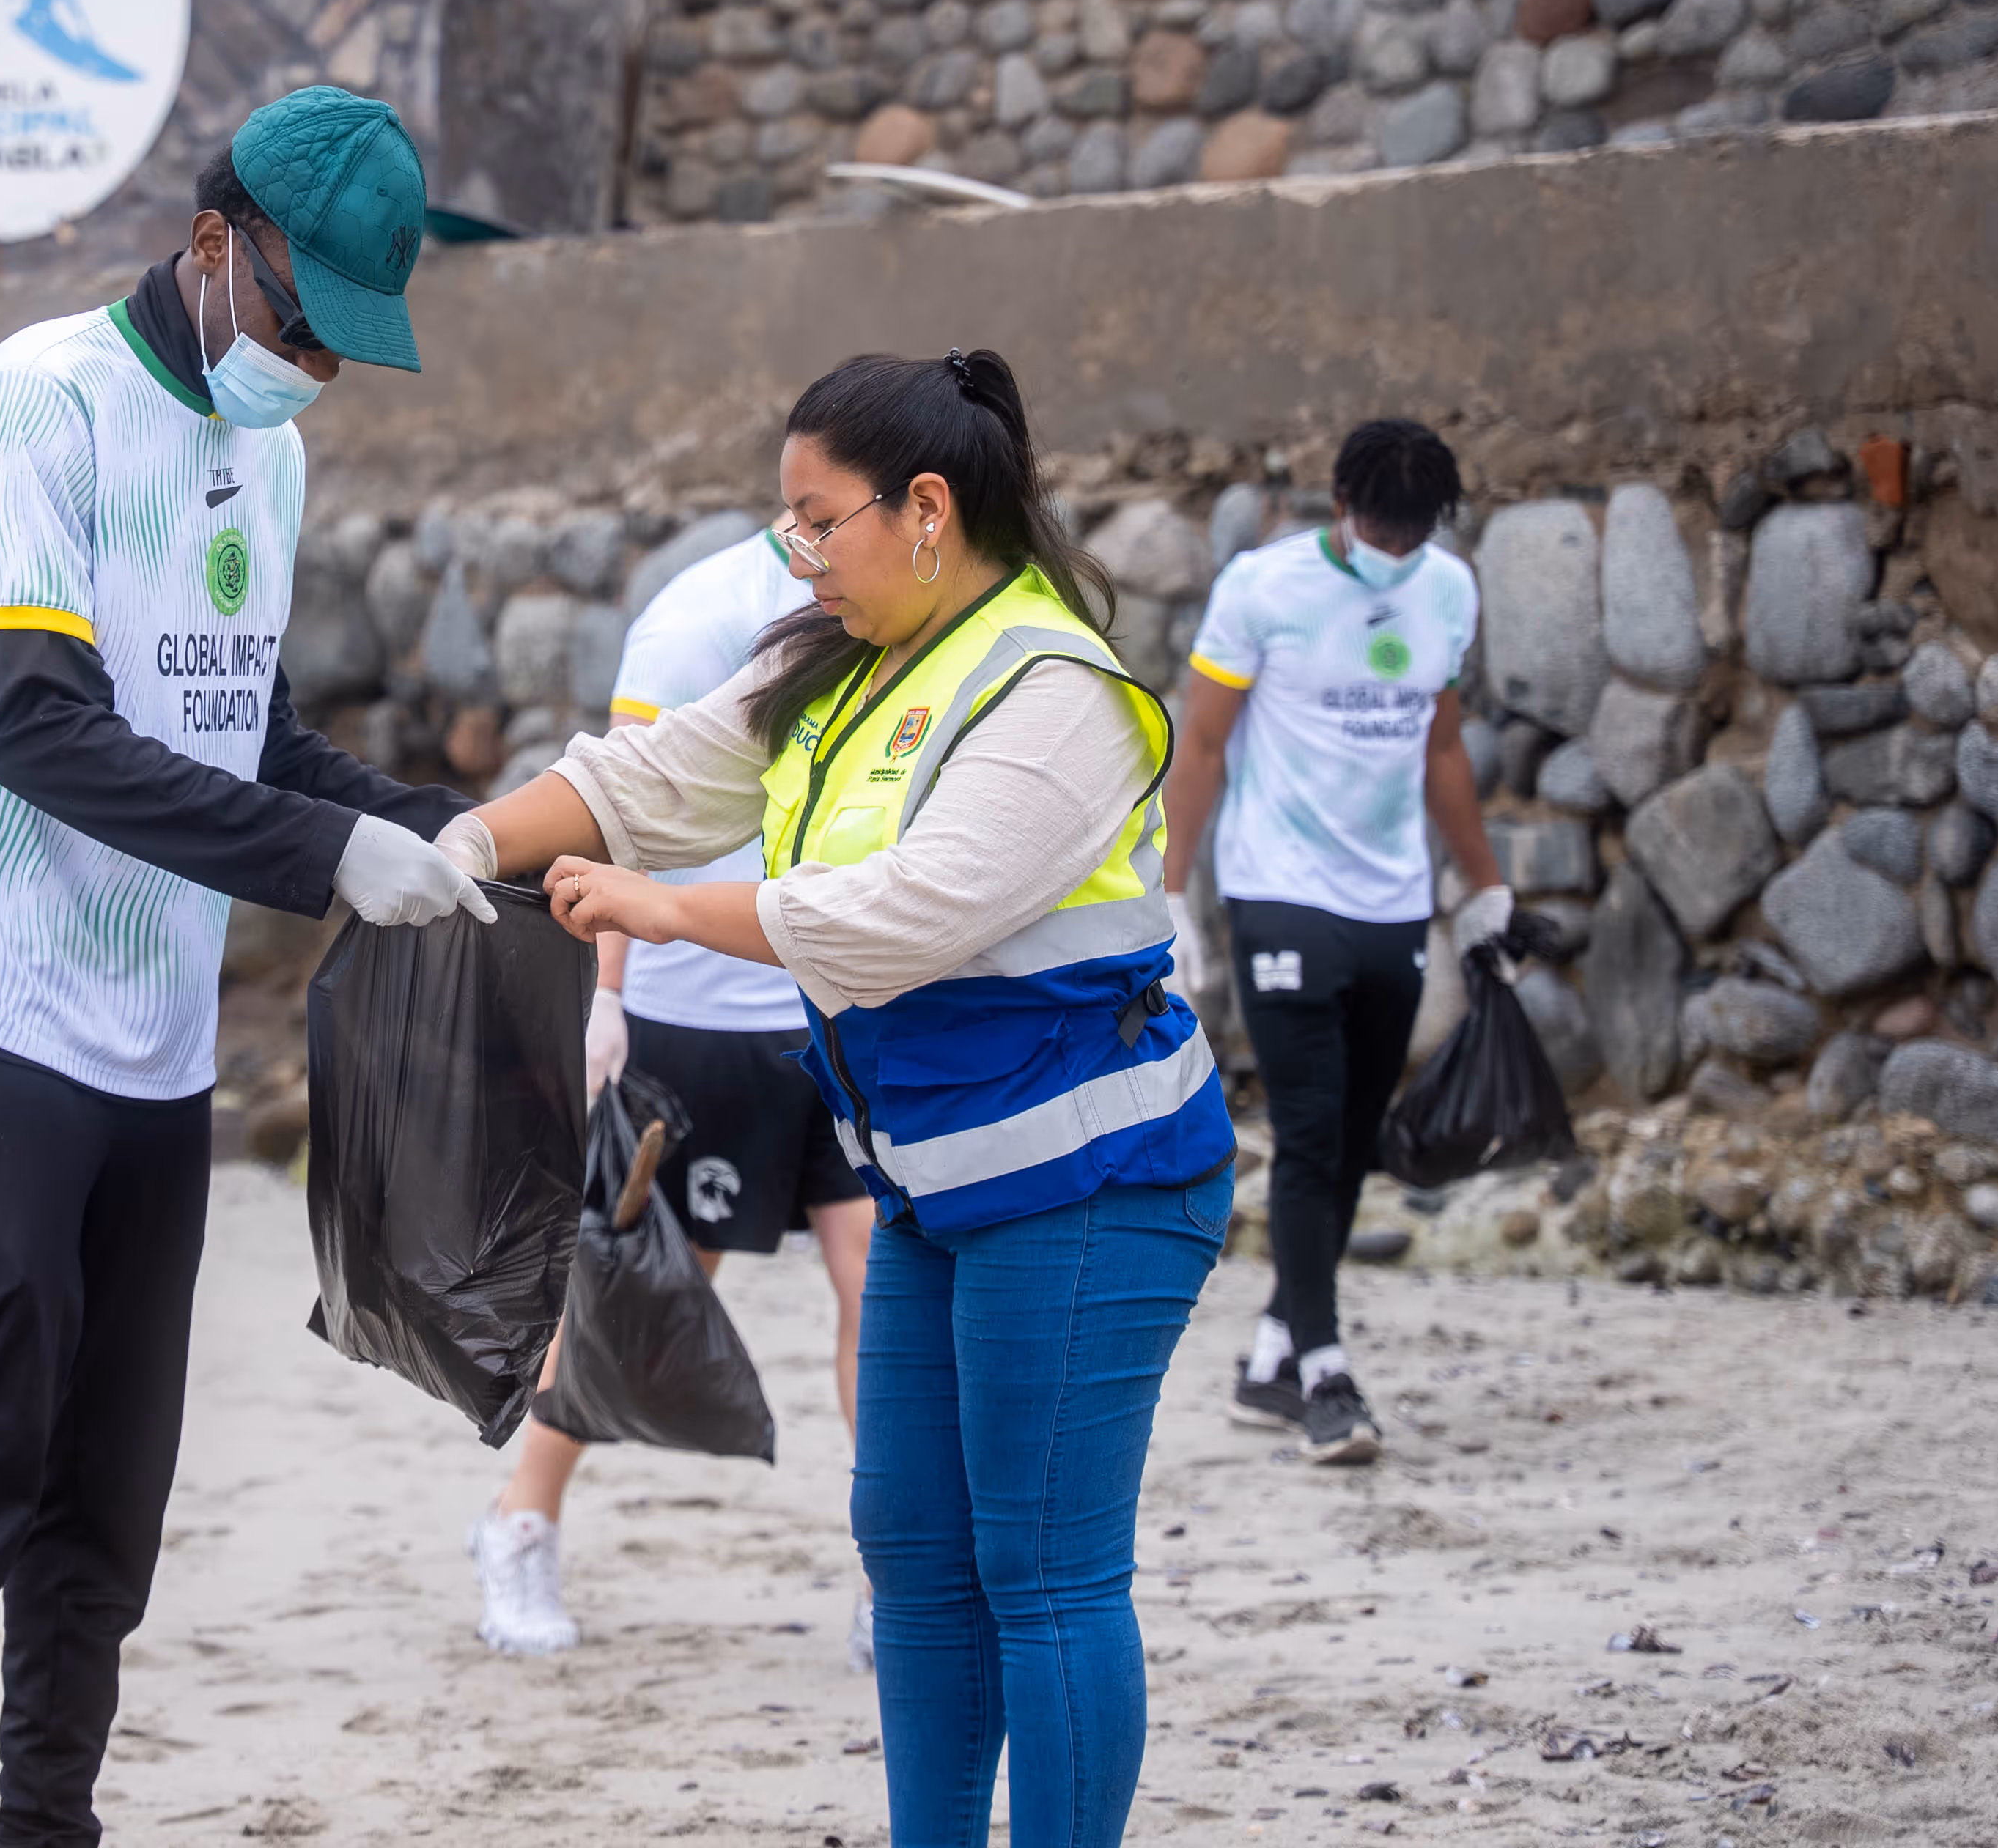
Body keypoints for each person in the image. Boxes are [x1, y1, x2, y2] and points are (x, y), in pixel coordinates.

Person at [0, 86, 490, 1848]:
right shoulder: (34, 401)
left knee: (106, 1494)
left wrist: (446, 826)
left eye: (349, 346)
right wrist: (327, 860)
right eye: (299, 325)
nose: (314, 369)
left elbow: (244, 733)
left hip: (151, 1044)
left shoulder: (262, 447)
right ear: (212, 247)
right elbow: (39, 729)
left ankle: (51, 1824)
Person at [448, 350, 1235, 1848]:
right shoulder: (838, 651)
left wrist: (668, 916)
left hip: (1091, 1186)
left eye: (815, 522)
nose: (795, 554)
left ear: (924, 507)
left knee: (1045, 1568)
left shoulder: (1056, 688)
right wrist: (449, 849)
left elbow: (903, 915)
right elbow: (652, 777)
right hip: (934, 1176)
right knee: (913, 1550)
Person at [465, 521, 879, 1668]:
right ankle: (519, 1522)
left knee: (878, 1295)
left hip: (837, 1013)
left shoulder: (900, 605)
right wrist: (606, 999)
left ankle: (888, 1575)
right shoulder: (698, 615)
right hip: (698, 1023)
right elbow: (620, 809)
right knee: (636, 1301)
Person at [1162, 418, 1510, 1467]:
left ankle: (1271, 1350)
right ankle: (1325, 1372)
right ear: (1343, 506)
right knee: (1311, 1132)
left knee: (1354, 1138)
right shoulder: (1263, 589)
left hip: (1393, 901)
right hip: (1279, 892)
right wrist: (1170, 894)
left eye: (1414, 534)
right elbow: (1206, 742)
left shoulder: (1447, 590)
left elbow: (1441, 744)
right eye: (1380, 529)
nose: (1394, 550)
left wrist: (1483, 888)